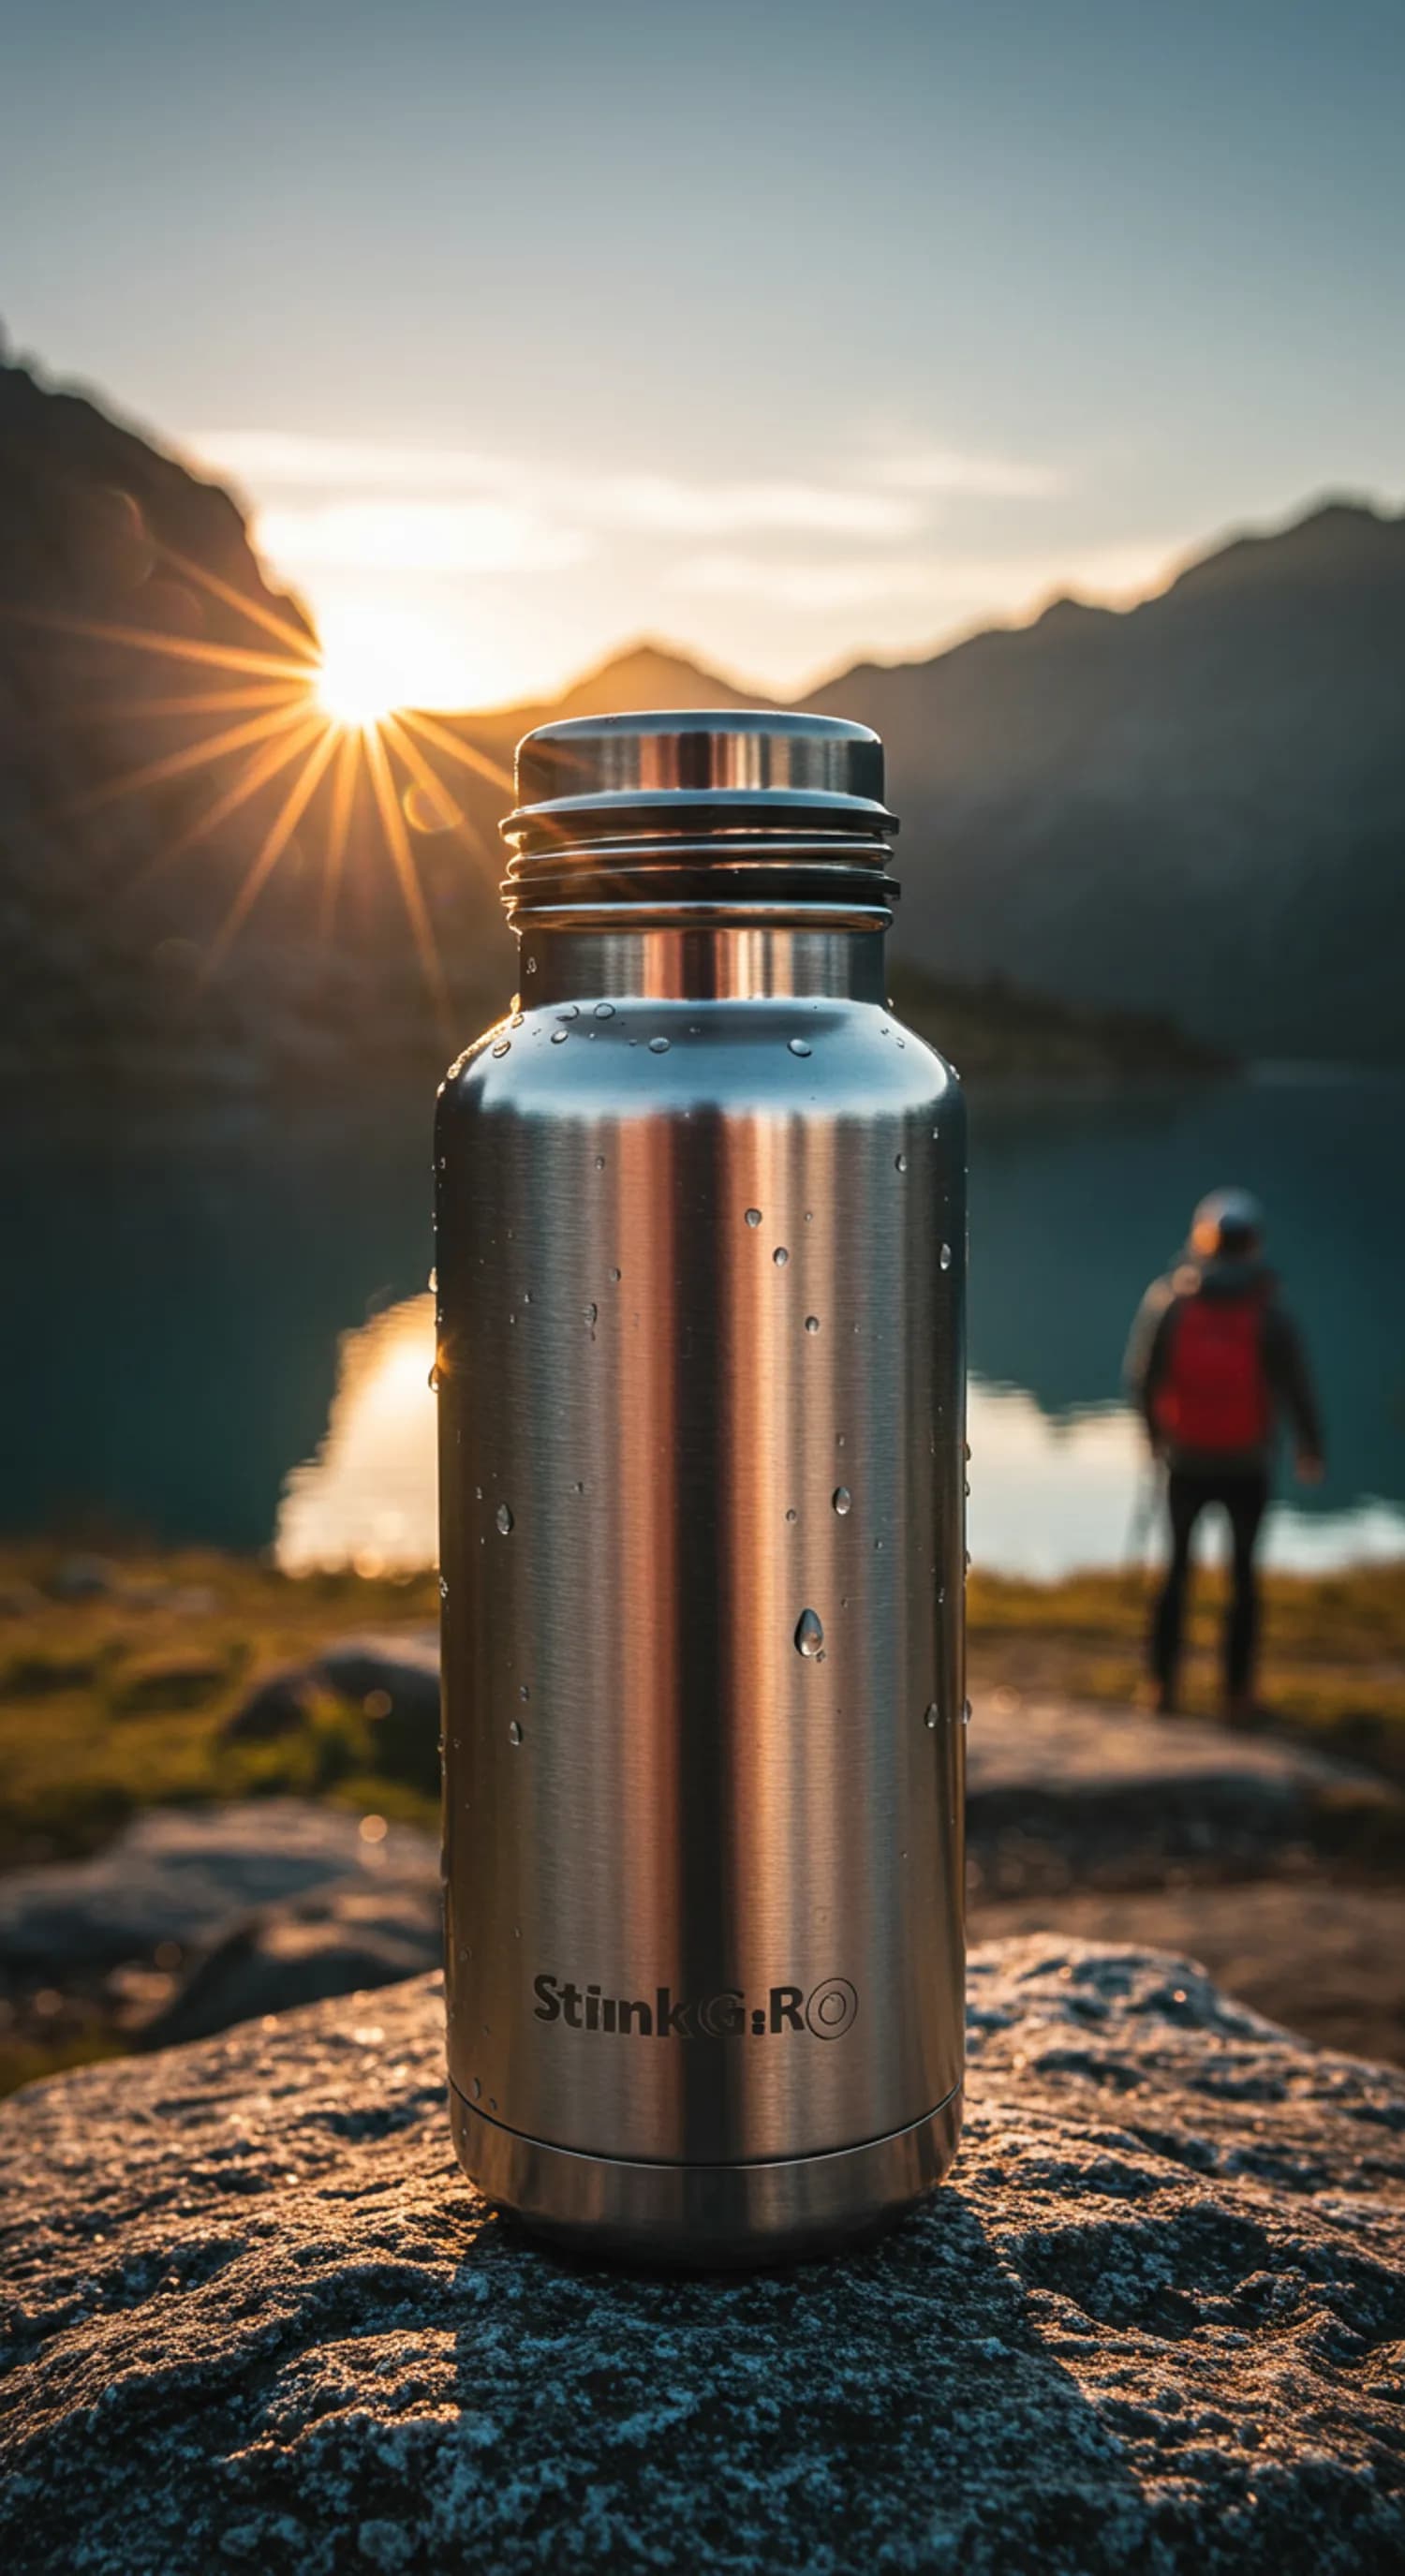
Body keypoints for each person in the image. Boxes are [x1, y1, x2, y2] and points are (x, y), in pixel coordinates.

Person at [1125, 1188, 1324, 1722]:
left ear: (1202, 1239)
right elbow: (1295, 1384)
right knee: (1243, 1578)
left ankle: (1161, 1687)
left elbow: (1143, 1376)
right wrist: (1309, 1447)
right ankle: (1237, 1695)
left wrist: (1152, 1435)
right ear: (1253, 1242)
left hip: (1185, 1458)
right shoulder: (1268, 1308)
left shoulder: (1170, 1300)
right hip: (1247, 1463)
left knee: (1176, 1572)